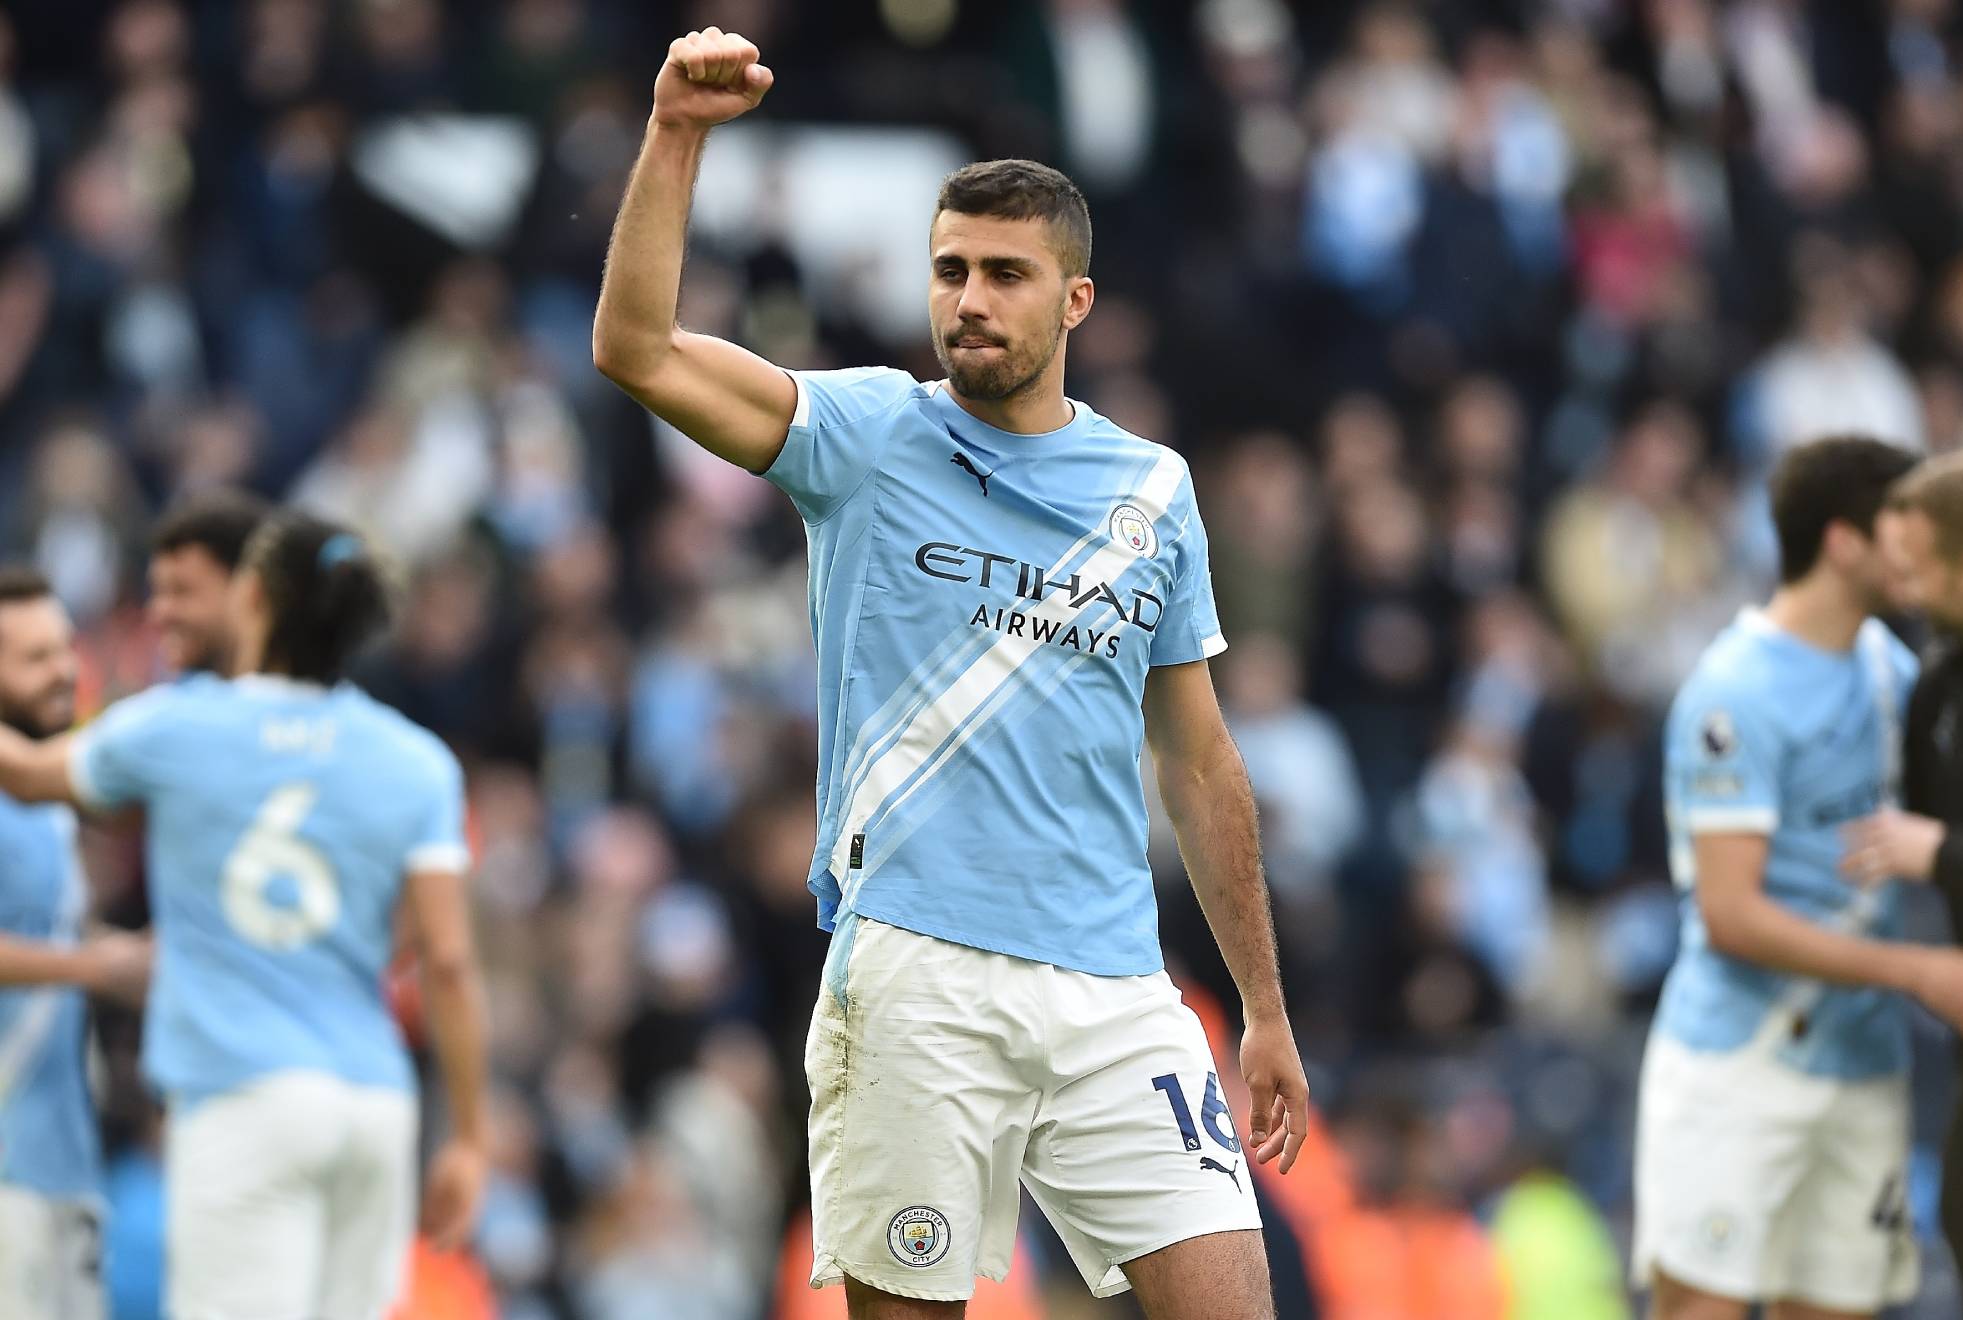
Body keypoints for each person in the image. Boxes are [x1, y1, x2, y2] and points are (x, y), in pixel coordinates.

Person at [593, 25, 1308, 1318]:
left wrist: (1260, 1007)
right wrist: (677, 135)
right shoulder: (865, 434)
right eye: (949, 271)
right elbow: (637, 348)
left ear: (1074, 301)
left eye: (1005, 275)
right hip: (918, 972)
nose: (969, 299)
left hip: (1119, 986)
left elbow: (1197, 758)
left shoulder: (1153, 490)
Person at [0, 513, 489, 1320]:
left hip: (243, 1095)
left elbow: (23, 773)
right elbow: (447, 962)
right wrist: (468, 1137)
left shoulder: (182, 726)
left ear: (253, 597)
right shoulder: (418, 761)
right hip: (374, 1105)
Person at [1635, 435, 1963, 1320]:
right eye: (1898, 521)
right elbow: (1730, 916)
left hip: (1864, 1064)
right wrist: (1925, 973)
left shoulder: (1896, 674)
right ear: (1846, 542)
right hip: (1740, 1061)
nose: (1916, 545)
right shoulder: (1733, 692)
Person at [1846, 451, 1963, 1311]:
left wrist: (1941, 853)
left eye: (1914, 569)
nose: (1901, 589)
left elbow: (1929, 843)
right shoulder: (1943, 684)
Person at [0, 569, 149, 1320]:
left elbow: (41, 930)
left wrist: (125, 953)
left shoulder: (44, 795)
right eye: (35, 658)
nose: (64, 670)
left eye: (64, 649)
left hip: (62, 1158)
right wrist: (96, 966)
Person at [146, 489, 270, 675]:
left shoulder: (315, 701)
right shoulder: (153, 703)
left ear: (251, 592)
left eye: (181, 591)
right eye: (158, 592)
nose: (159, 612)